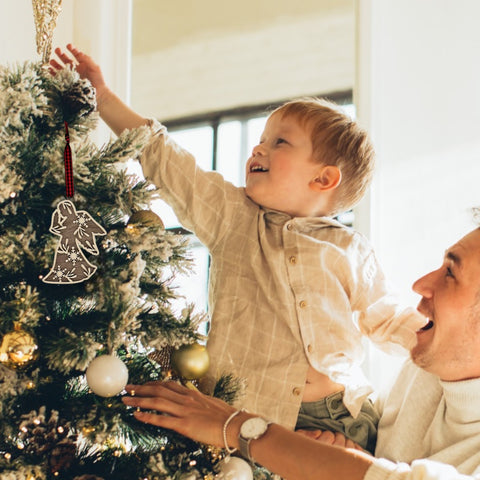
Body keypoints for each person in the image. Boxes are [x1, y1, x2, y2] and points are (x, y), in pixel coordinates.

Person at [50, 45, 426, 453]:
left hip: (338, 416)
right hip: (245, 412)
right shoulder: (234, 218)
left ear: (323, 179)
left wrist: (444, 341)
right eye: (261, 139)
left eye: (279, 142)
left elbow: (387, 319)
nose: (257, 149)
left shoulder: (349, 248)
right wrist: (103, 96)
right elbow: (168, 160)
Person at [122, 225, 480, 479]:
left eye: (450, 273)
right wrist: (350, 454)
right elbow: (381, 463)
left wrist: (235, 426)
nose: (421, 285)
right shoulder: (427, 368)